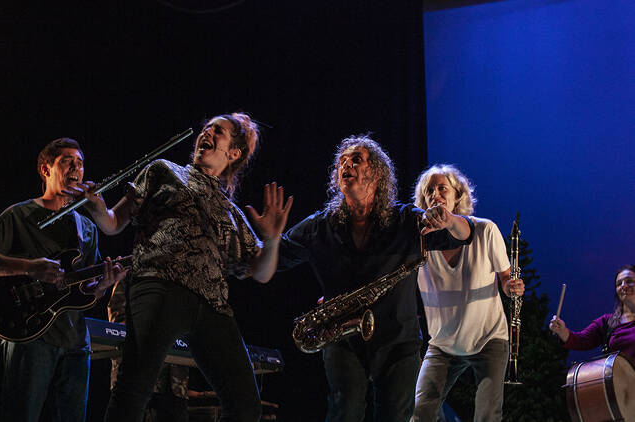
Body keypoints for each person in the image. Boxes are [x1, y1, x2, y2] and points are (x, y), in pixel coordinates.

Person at [79, 112, 293, 422]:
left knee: (246, 406)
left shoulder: (229, 210)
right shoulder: (164, 170)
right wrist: (99, 209)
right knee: (135, 387)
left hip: (212, 305)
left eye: (217, 131)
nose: (207, 132)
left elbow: (260, 271)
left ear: (233, 153)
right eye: (206, 128)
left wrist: (271, 239)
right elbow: (114, 223)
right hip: (160, 284)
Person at [277, 135, 474, 422]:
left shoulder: (406, 220)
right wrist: (268, 238)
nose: (346, 164)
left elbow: (463, 235)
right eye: (342, 161)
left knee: (395, 416)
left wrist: (450, 220)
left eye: (356, 159)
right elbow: (276, 256)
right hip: (343, 338)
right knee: (344, 413)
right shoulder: (321, 225)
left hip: (398, 340)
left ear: (378, 174)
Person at [0, 138, 128, 422]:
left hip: (75, 342)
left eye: (80, 163)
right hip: (31, 335)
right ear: (45, 170)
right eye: (67, 161)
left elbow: (86, 290)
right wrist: (29, 267)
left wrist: (103, 285)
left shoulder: (87, 227)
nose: (76, 168)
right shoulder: (20, 214)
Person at [410, 164, 525, 422]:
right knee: (420, 412)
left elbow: (506, 279)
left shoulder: (485, 230)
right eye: (429, 190)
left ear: (457, 196)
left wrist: (512, 288)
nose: (435, 194)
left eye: (442, 188)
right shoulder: (416, 241)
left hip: (488, 339)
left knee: (487, 415)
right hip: (443, 343)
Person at [107, 277, 190, 422]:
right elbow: (116, 312)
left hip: (175, 382)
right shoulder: (134, 272)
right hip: (136, 376)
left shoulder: (181, 277)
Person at [549, 265, 635, 361]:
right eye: (619, 284)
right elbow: (582, 341)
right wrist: (562, 331)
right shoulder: (607, 322)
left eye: (629, 281)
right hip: (617, 376)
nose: (623, 285)